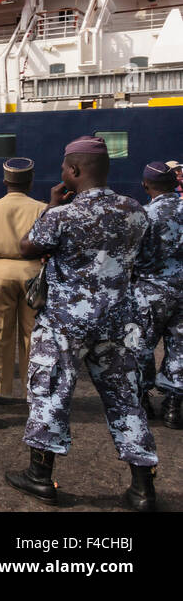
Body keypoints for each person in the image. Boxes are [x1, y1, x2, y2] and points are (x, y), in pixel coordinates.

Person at [5, 135, 157, 511]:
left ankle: (40, 479)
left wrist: (52, 207)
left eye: (63, 169)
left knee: (52, 392)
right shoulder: (136, 209)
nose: (62, 174)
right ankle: (142, 489)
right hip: (118, 323)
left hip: (64, 324)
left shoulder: (62, 214)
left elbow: (27, 247)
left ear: (73, 171)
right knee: (125, 399)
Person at [0, 158, 46, 404]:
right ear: (31, 182)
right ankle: (31, 388)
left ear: (5, 181)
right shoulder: (42, 208)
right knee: (32, 333)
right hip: (32, 273)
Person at [133, 161, 183, 430]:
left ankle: (141, 400)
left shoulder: (144, 215)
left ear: (145, 185)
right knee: (181, 348)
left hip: (149, 292)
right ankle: (174, 407)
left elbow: (133, 257)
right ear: (175, 183)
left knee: (141, 345)